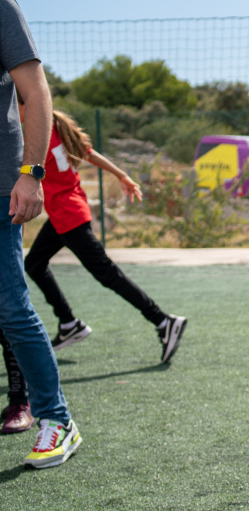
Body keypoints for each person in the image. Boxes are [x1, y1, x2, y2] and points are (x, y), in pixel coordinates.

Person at [18, 98, 188, 362]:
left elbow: (34, 169)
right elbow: (88, 152)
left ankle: (163, 320)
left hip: (68, 215)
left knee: (108, 274)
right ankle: (68, 324)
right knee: (35, 263)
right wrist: (122, 175)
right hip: (68, 212)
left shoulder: (39, 135)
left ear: (26, 106)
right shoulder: (55, 126)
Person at [0, 0, 81, 468]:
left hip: (1, 184)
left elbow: (37, 91)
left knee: (11, 306)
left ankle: (56, 419)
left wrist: (32, 173)